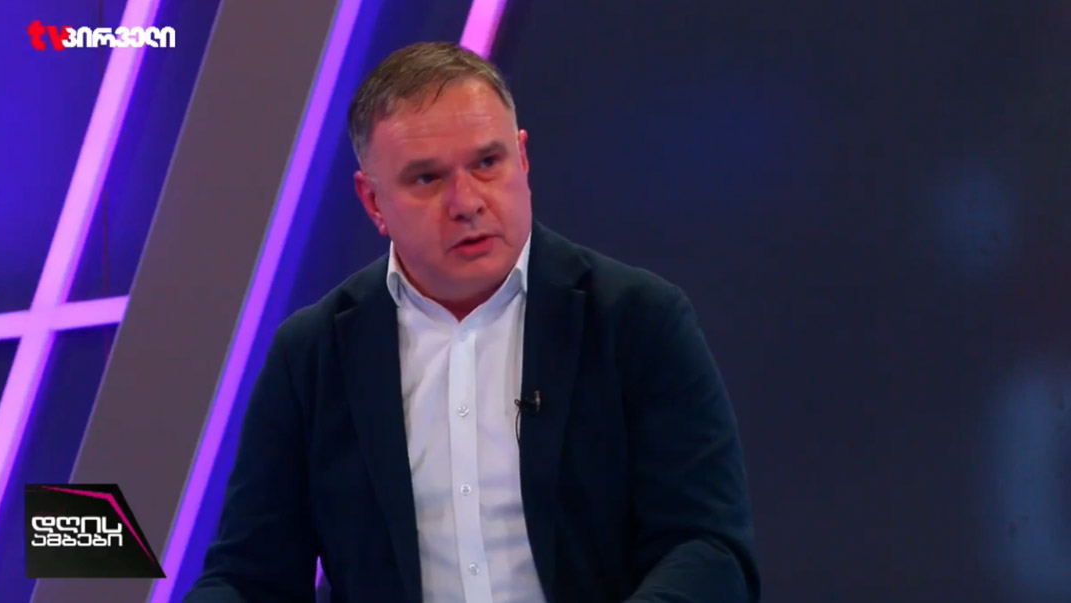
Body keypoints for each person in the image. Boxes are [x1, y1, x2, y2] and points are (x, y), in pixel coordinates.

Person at [185, 41, 760, 603]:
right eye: (427, 179)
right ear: (373, 202)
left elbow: (707, 549)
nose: (466, 201)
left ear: (523, 159)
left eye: (487, 163)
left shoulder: (637, 321)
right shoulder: (313, 355)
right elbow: (250, 578)